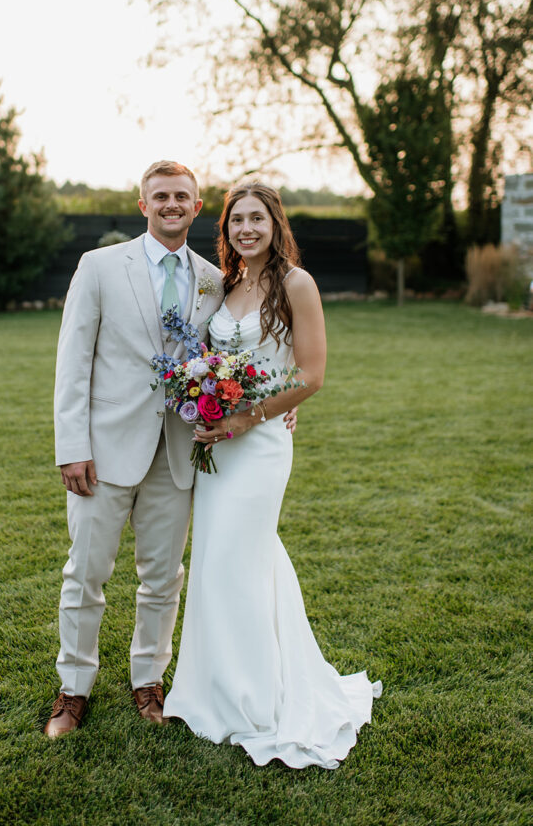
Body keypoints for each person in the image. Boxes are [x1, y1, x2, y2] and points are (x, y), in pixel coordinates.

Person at [163, 182, 382, 769]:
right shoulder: (226, 284)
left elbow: (310, 374)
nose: (247, 229)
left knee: (241, 554)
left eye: (257, 218)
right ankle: (215, 690)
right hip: (217, 443)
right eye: (237, 220)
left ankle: (257, 703)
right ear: (227, 228)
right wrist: (206, 404)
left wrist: (246, 418)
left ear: (275, 223)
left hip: (258, 445)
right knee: (219, 559)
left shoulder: (296, 284)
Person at [43, 160, 223, 736]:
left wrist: (280, 402)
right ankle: (73, 690)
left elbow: (231, 360)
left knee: (163, 578)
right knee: (85, 574)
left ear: (198, 207)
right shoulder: (98, 267)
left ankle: (149, 681)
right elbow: (73, 362)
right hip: (103, 450)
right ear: (143, 205)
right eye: (161, 196)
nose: (172, 205)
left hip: (177, 453)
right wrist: (71, 447)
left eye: (183, 197)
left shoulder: (214, 280)